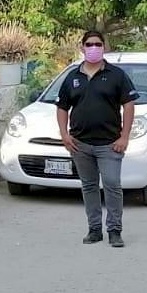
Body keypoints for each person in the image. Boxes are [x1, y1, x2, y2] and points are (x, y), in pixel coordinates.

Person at [55, 31, 137, 248]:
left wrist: (124, 136)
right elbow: (62, 107)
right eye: (89, 44)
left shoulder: (116, 75)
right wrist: (64, 135)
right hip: (80, 144)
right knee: (89, 186)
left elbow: (129, 105)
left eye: (97, 44)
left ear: (104, 47)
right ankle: (94, 230)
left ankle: (114, 230)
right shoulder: (72, 76)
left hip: (110, 144)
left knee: (112, 185)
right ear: (82, 47)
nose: (93, 47)